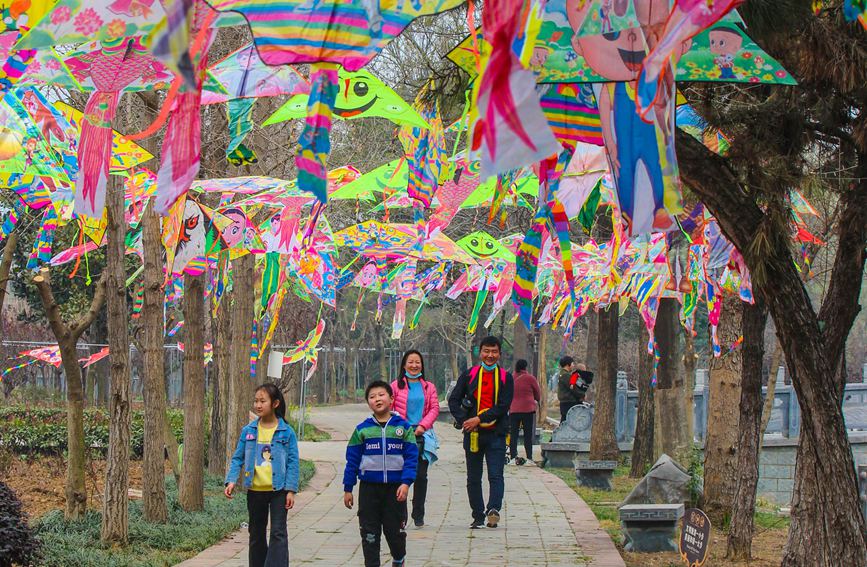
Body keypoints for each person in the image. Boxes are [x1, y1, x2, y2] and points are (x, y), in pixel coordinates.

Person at [344, 381, 418, 567]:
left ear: (391, 399)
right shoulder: (362, 430)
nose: (377, 399)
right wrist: (348, 488)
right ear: (368, 403)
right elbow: (352, 460)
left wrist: (406, 483)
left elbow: (411, 458)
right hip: (369, 489)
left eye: (381, 395)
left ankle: (398, 558)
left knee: (395, 534)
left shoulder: (404, 428)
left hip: (396, 490)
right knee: (369, 533)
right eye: (372, 396)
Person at [225, 383, 299, 567]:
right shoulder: (248, 431)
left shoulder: (286, 432)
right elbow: (237, 458)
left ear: (274, 403)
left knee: (278, 533)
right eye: (256, 401)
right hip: (255, 490)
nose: (258, 405)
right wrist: (231, 480)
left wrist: (290, 490)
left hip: (279, 490)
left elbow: (292, 462)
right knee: (256, 533)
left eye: (262, 401)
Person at [448, 336, 514, 529]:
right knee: (473, 477)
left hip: (497, 434)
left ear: (500, 354)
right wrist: (464, 420)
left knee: (496, 474)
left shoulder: (505, 378)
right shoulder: (469, 375)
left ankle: (493, 510)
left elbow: (503, 406)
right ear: (480, 352)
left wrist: (479, 418)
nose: (490, 355)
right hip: (473, 434)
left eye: (494, 352)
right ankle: (477, 515)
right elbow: (453, 400)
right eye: (486, 351)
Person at [390, 350, 440, 528]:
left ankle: (418, 513)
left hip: (422, 436)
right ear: (404, 364)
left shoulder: (429, 387)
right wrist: (402, 428)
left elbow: (434, 409)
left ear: (422, 365)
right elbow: (390, 409)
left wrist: (422, 426)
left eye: (417, 362)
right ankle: (400, 515)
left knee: (420, 476)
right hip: (400, 436)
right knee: (400, 476)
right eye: (410, 362)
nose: (414, 365)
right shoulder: (395, 386)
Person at [509, 359, 541, 465]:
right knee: (528, 434)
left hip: (513, 409)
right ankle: (529, 458)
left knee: (513, 434)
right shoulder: (530, 378)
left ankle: (513, 457)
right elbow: (537, 394)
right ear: (525, 367)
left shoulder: (511, 378)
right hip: (528, 409)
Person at [557, 356, 580, 423]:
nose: (573, 365)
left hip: (565, 403)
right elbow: (573, 389)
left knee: (564, 421)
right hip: (569, 403)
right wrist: (582, 395)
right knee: (567, 423)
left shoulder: (562, 374)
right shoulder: (566, 375)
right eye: (572, 363)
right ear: (568, 365)